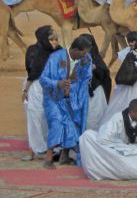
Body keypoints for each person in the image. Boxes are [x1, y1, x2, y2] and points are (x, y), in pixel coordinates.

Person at [40, 35, 93, 169]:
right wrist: (57, 83)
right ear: (75, 50)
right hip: (53, 97)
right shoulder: (55, 58)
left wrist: (73, 90)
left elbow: (85, 79)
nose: (85, 56)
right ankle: (48, 158)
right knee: (57, 122)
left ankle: (64, 156)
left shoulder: (86, 59)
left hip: (71, 98)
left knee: (72, 125)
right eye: (83, 52)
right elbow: (43, 79)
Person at [80, 98, 137, 180]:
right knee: (87, 135)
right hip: (115, 150)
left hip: (132, 151)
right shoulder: (117, 119)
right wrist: (122, 146)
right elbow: (104, 138)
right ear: (133, 112)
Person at [22, 26, 61, 160]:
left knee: (52, 116)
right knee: (34, 117)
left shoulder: (59, 50)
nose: (54, 39)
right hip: (35, 86)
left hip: (54, 86)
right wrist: (26, 89)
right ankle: (34, 149)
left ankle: (54, 148)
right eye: (50, 35)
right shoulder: (35, 51)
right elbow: (32, 71)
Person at [84, 35, 111, 130]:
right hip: (82, 95)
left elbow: (105, 76)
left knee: (96, 119)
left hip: (96, 95)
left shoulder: (96, 58)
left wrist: (95, 69)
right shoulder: (77, 58)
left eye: (88, 46)